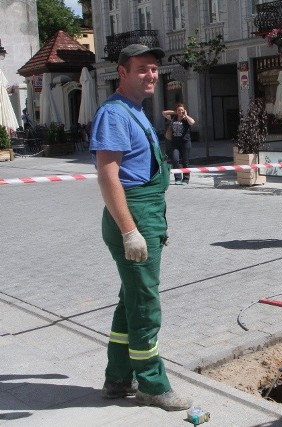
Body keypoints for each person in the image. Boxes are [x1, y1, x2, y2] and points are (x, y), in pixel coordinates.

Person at [89, 44, 192, 412]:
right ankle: (151, 383)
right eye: (143, 69)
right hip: (132, 214)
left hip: (146, 212)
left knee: (130, 297)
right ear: (123, 72)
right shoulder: (114, 114)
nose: (151, 75)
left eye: (154, 69)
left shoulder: (135, 111)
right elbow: (107, 175)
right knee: (146, 302)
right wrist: (130, 230)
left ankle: (118, 378)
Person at [162, 103, 195, 184]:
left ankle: (186, 179)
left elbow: (192, 122)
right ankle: (177, 178)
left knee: (185, 161)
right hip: (174, 143)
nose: (180, 112)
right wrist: (175, 112)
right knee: (175, 160)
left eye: (182, 110)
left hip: (185, 143)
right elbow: (164, 113)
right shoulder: (173, 118)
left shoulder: (186, 119)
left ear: (184, 111)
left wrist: (186, 115)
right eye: (179, 110)